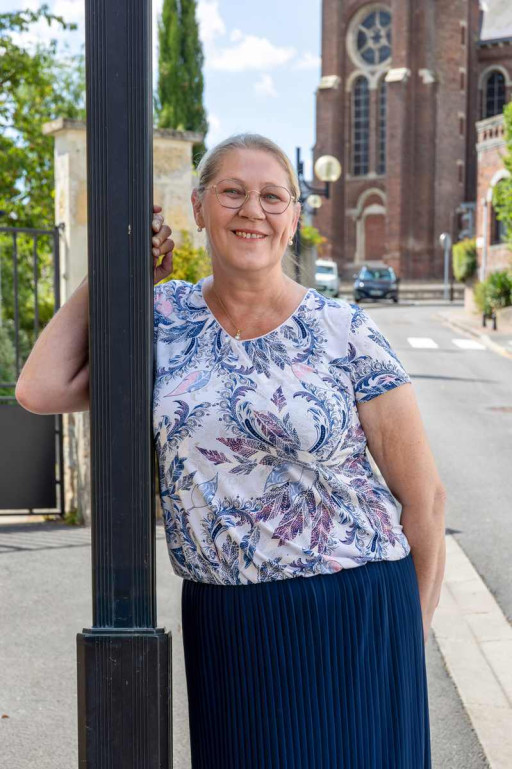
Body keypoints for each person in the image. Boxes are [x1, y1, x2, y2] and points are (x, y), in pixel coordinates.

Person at [16, 133, 446, 768]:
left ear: (294, 218)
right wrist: (115, 273)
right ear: (197, 206)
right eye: (233, 192)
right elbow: (40, 387)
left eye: (273, 197)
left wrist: (411, 632)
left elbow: (425, 498)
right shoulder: (162, 320)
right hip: (229, 621)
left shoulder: (345, 330)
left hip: (355, 610)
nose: (253, 211)